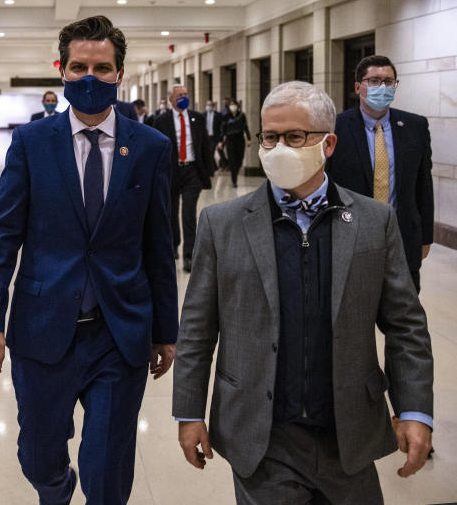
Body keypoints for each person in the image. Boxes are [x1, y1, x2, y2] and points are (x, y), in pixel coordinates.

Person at [173, 81, 433, 504]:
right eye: (270, 137)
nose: (278, 148)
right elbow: (198, 330)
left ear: (328, 144)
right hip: (263, 435)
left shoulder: (373, 221)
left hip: (347, 433)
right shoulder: (222, 224)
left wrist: (414, 408)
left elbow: (406, 327)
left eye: (295, 137)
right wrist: (189, 413)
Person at [0, 15, 178, 505]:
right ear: (61, 70)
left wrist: (166, 331)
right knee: (39, 453)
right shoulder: (31, 143)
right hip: (43, 326)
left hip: (119, 329)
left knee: (109, 466)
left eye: (103, 68)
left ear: (119, 74)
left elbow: (159, 244)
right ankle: (56, 487)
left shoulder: (150, 147)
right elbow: (2, 236)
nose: (91, 77)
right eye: (79, 66)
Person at [326, 55, 433, 292]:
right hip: (351, 238)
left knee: (405, 318)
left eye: (388, 81)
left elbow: (423, 186)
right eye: (374, 81)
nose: (382, 87)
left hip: (402, 238)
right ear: (358, 87)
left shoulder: (415, 127)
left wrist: (426, 237)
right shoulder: (336, 127)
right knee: (355, 317)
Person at [153, 84, 213, 273]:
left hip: (191, 171)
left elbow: (205, 145)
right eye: (179, 95)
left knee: (189, 212)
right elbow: (155, 148)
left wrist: (210, 169)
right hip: (170, 171)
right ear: (171, 99)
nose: (183, 97)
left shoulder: (197, 118)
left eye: (186, 94)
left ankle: (189, 254)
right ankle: (173, 247)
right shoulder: (161, 120)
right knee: (170, 212)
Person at [219, 98, 250, 187]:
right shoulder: (226, 116)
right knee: (232, 160)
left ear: (237, 106)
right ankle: (234, 180)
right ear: (229, 106)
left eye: (234, 105)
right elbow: (223, 130)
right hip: (230, 140)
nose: (233, 106)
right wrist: (220, 141)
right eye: (231, 105)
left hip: (240, 140)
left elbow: (245, 127)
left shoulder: (242, 115)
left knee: (239, 160)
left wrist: (249, 139)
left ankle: (235, 173)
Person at [204, 100, 225, 169]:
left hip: (215, 137)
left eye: (210, 105)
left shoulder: (218, 115)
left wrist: (220, 140)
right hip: (206, 137)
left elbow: (221, 127)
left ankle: (213, 167)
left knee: (211, 151)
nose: (208, 107)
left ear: (213, 106)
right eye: (207, 105)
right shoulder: (203, 115)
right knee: (209, 152)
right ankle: (214, 166)